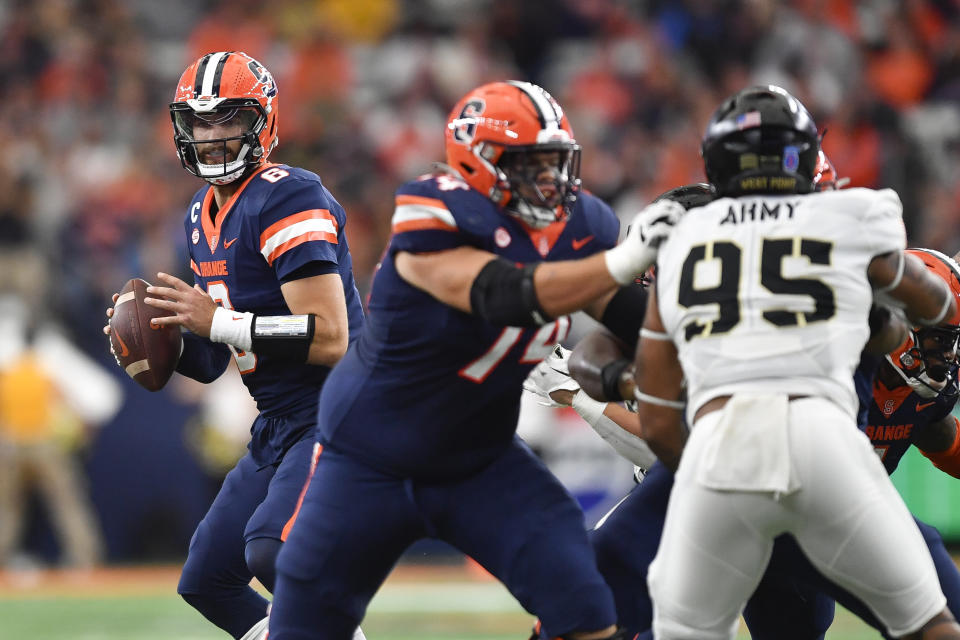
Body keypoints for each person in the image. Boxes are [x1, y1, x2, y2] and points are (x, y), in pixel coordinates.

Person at [267, 80, 683, 640]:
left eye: (555, 162)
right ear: (478, 165)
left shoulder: (581, 224)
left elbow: (632, 317)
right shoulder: (433, 210)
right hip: (369, 457)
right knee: (306, 625)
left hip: (481, 458)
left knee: (586, 607)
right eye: (530, 164)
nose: (549, 180)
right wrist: (625, 259)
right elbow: (504, 292)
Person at [634, 84, 960, 639]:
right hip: (822, 443)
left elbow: (657, 414)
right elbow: (935, 302)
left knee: (645, 614)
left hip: (720, 451)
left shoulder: (683, 236)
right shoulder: (857, 217)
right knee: (929, 622)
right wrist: (880, 310)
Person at [103, 51, 366, 640]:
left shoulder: (288, 196)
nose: (214, 135)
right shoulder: (201, 213)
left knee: (273, 552)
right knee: (206, 580)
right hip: (277, 421)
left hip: (337, 410)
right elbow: (215, 356)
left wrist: (218, 322)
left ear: (263, 120)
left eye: (228, 119)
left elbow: (331, 338)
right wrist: (155, 341)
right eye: (201, 122)